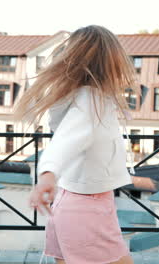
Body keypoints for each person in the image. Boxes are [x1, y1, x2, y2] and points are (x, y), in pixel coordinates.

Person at [12, 25, 140, 264]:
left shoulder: (84, 98)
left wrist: (49, 175)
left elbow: (68, 137)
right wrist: (48, 174)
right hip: (87, 207)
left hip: (75, 202)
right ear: (112, 61)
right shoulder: (92, 101)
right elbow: (67, 140)